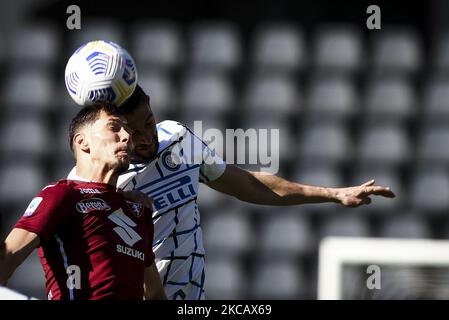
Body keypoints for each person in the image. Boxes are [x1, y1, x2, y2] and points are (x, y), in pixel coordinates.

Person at [70, 85, 395, 300]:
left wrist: (333, 194)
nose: (144, 136)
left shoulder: (179, 140)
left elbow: (248, 184)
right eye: (133, 130)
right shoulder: (99, 179)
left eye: (149, 123)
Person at [0, 101, 166, 300]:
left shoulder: (137, 210)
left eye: (128, 130)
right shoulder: (62, 194)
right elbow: (6, 260)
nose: (127, 136)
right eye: (114, 127)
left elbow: (154, 293)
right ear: (82, 142)